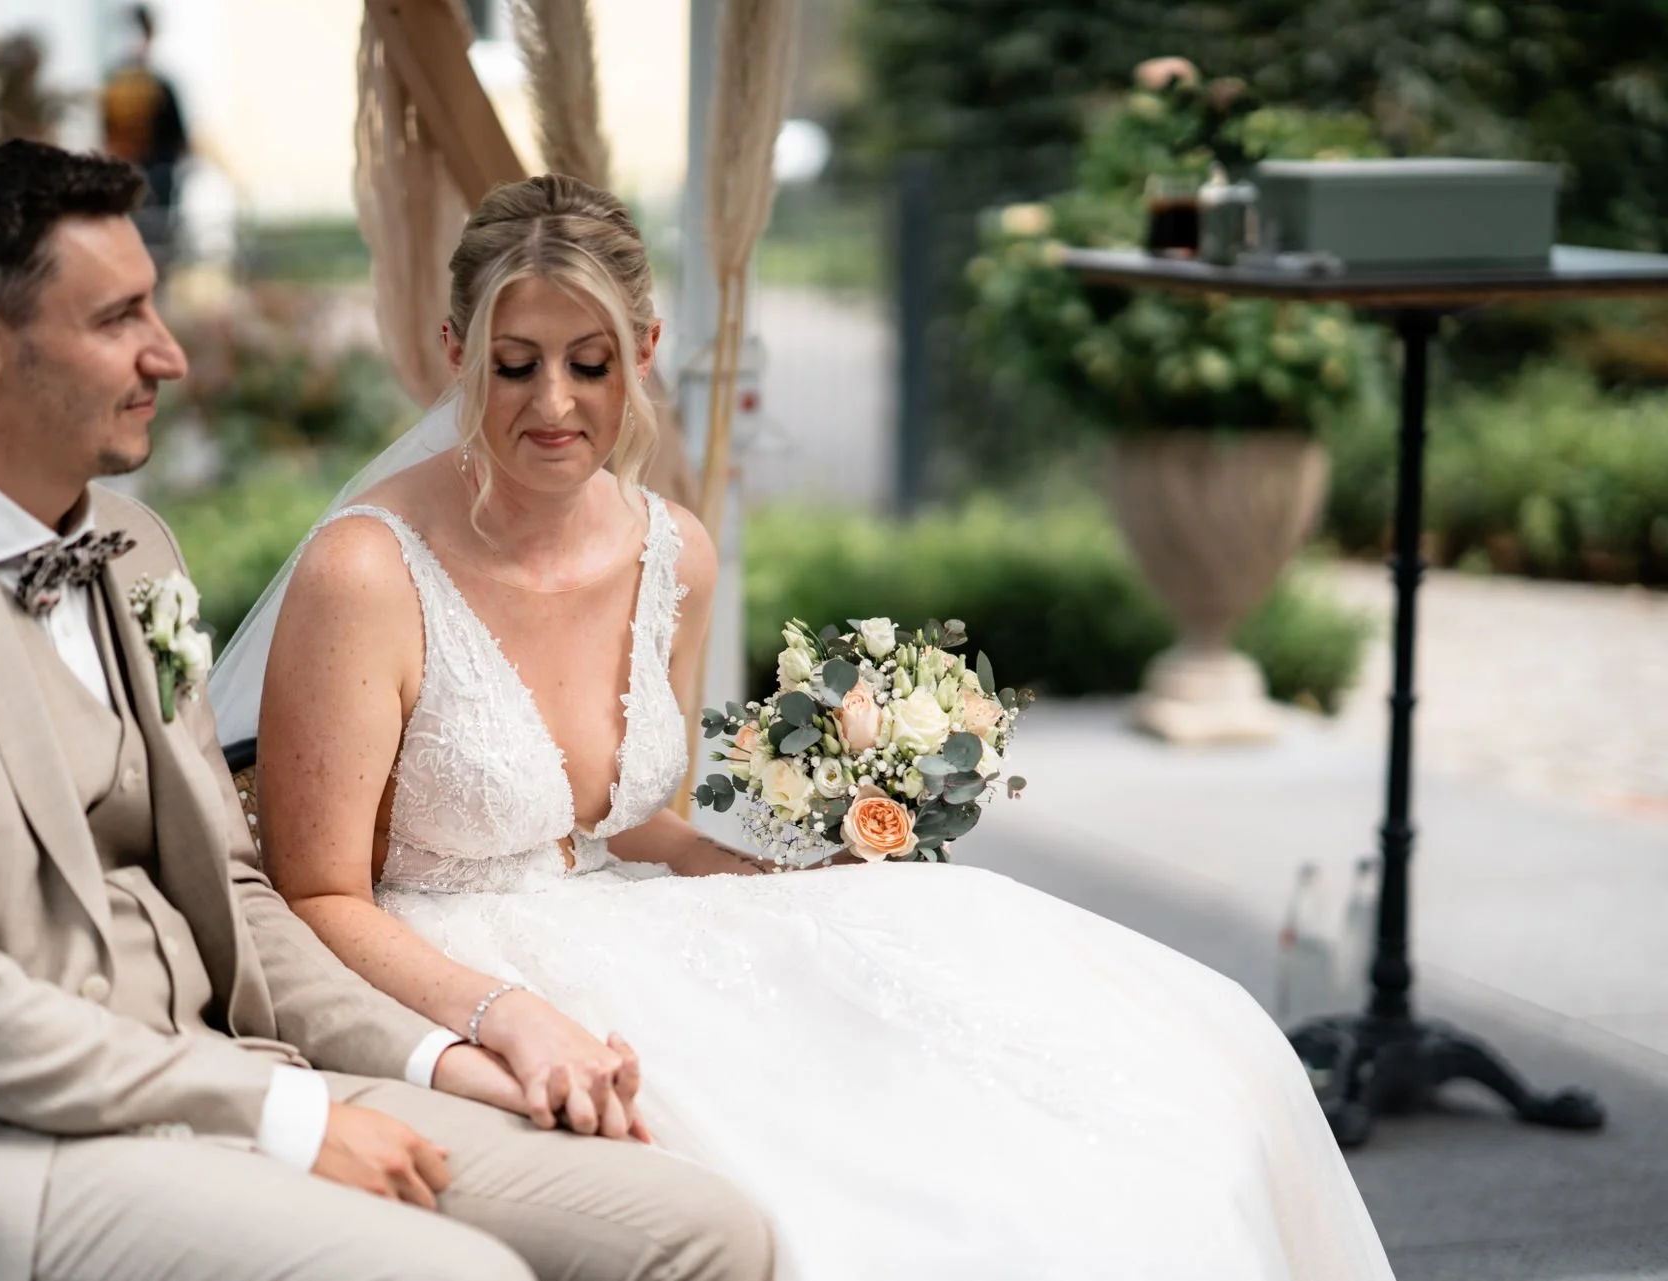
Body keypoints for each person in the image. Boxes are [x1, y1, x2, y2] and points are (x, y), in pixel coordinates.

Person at [212, 173, 1398, 1281]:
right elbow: (317, 898)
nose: (555, 404)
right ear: (455, 353)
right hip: (460, 969)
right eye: (515, 365)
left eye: (590, 362)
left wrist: (777, 864)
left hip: (631, 926)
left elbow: (633, 825)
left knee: (1090, 1060)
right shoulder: (368, 571)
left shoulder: (671, 546)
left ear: (646, 354)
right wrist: (503, 1012)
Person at [0, 142, 771, 1281]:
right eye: (119, 317)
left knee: (705, 1230)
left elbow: (241, 891)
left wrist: (450, 1052)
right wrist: (283, 1117)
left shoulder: (135, 554)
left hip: (213, 1067)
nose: (169, 353)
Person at [100, 5, 188, 260]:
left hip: (154, 175)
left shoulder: (157, 84)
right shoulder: (118, 83)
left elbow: (178, 140)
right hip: (131, 174)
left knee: (155, 240)